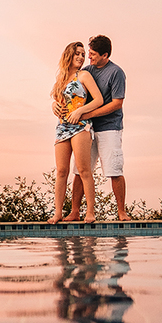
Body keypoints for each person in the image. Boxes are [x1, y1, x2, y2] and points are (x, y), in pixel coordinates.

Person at [64, 34, 129, 220]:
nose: (88, 57)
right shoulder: (87, 71)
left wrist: (88, 114)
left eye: (92, 54)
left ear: (105, 55)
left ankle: (121, 212)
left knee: (114, 169)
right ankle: (75, 211)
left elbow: (117, 103)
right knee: (80, 169)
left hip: (110, 127)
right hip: (86, 129)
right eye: (88, 53)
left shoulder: (116, 72)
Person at [49, 41, 104, 223]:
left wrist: (80, 111)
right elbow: (57, 101)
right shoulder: (61, 79)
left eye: (82, 54)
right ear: (69, 56)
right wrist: (54, 105)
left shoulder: (84, 75)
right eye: (77, 54)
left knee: (84, 170)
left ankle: (90, 212)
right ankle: (57, 212)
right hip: (62, 127)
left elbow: (99, 100)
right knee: (61, 171)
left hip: (81, 125)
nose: (81, 57)